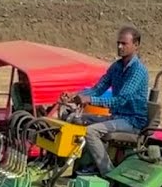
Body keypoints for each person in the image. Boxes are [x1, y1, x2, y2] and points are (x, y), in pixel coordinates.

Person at [58, 26, 149, 175]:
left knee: (91, 131)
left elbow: (119, 100)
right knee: (75, 119)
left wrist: (90, 100)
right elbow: (97, 89)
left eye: (124, 43)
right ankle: (77, 168)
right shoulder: (117, 66)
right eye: (118, 43)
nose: (119, 47)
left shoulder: (138, 70)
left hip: (132, 121)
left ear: (136, 45)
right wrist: (75, 96)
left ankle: (107, 173)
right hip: (117, 117)